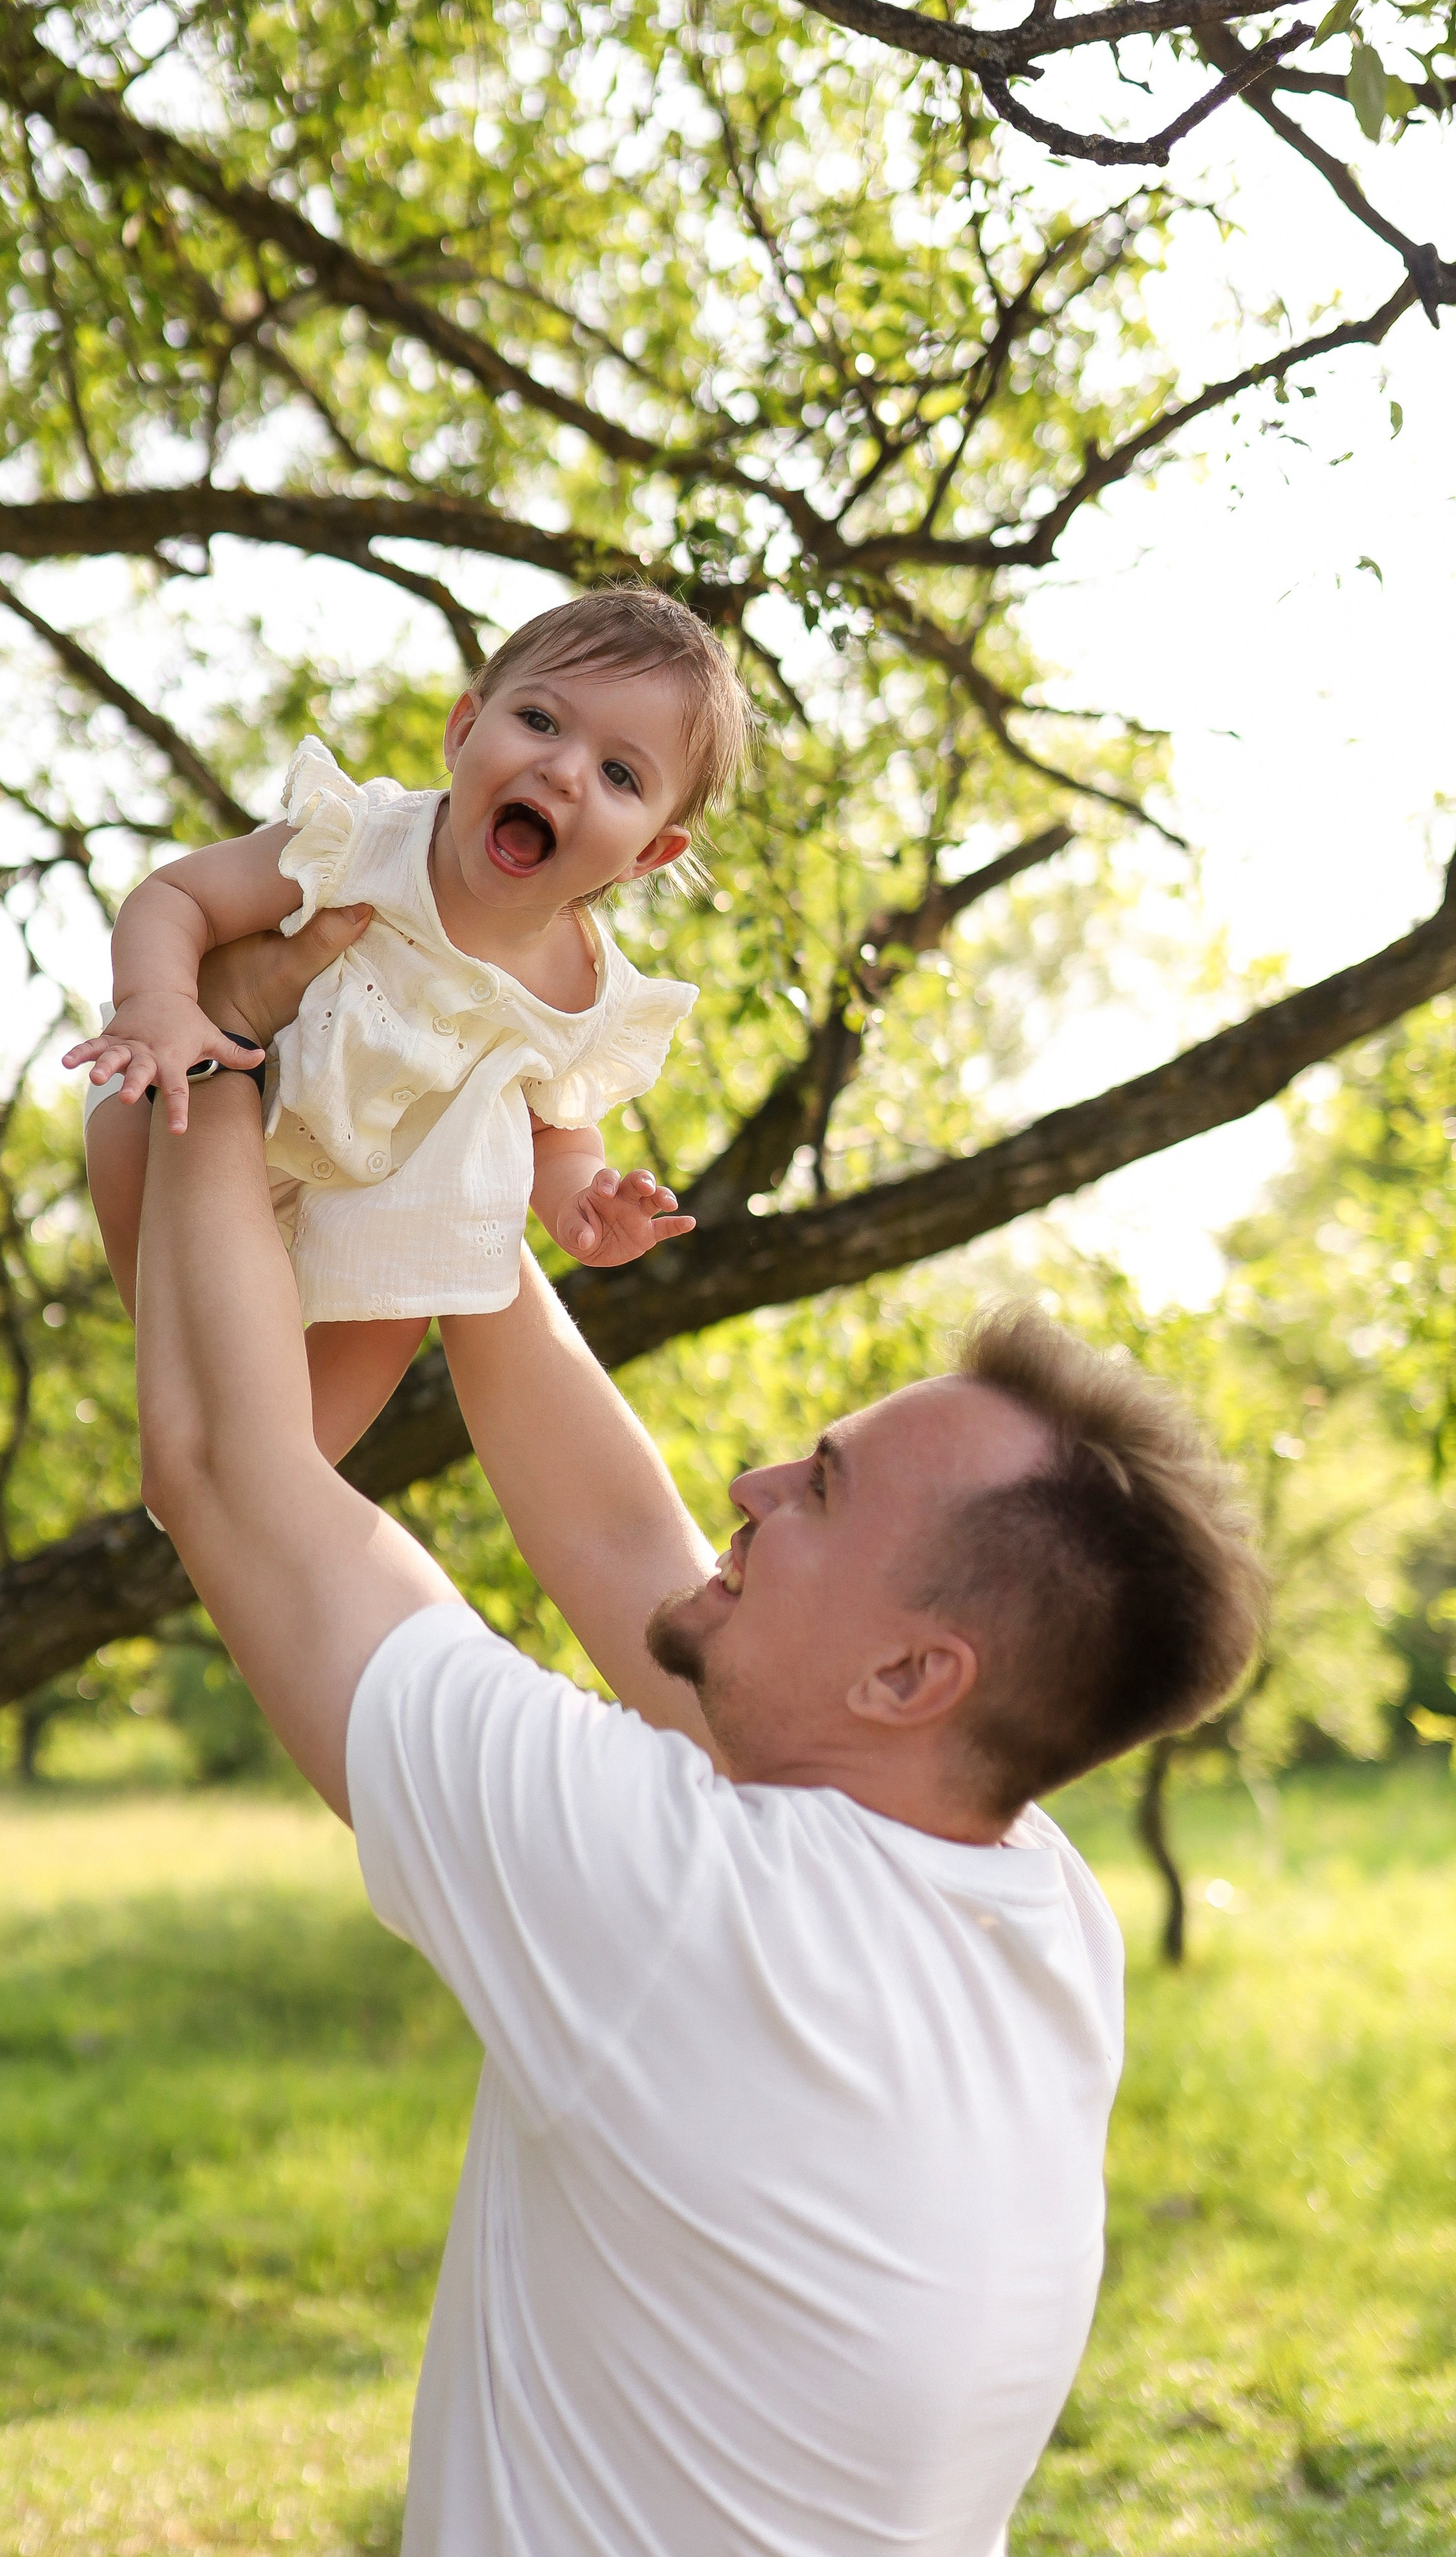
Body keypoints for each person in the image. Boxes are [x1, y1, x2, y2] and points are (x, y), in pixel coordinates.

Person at [131, 920, 1268, 2557]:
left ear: (906, 1677)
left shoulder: (685, 1911)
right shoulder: (1019, 1892)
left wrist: (214, 1035)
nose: (743, 1490)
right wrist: (471, 1163)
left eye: (815, 1489)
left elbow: (231, 1475)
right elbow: (623, 1549)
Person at [66, 585, 749, 1461]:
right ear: (464, 729)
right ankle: (192, 1409)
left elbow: (551, 1130)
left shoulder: (583, 994)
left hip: (361, 1214)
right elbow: (177, 896)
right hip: (197, 1102)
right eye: (540, 721)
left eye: (621, 775)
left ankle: (264, 1485)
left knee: (395, 1306)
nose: (565, 771)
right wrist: (156, 1004)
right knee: (152, 1121)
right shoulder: (362, 844)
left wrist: (581, 1202)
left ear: (650, 852)